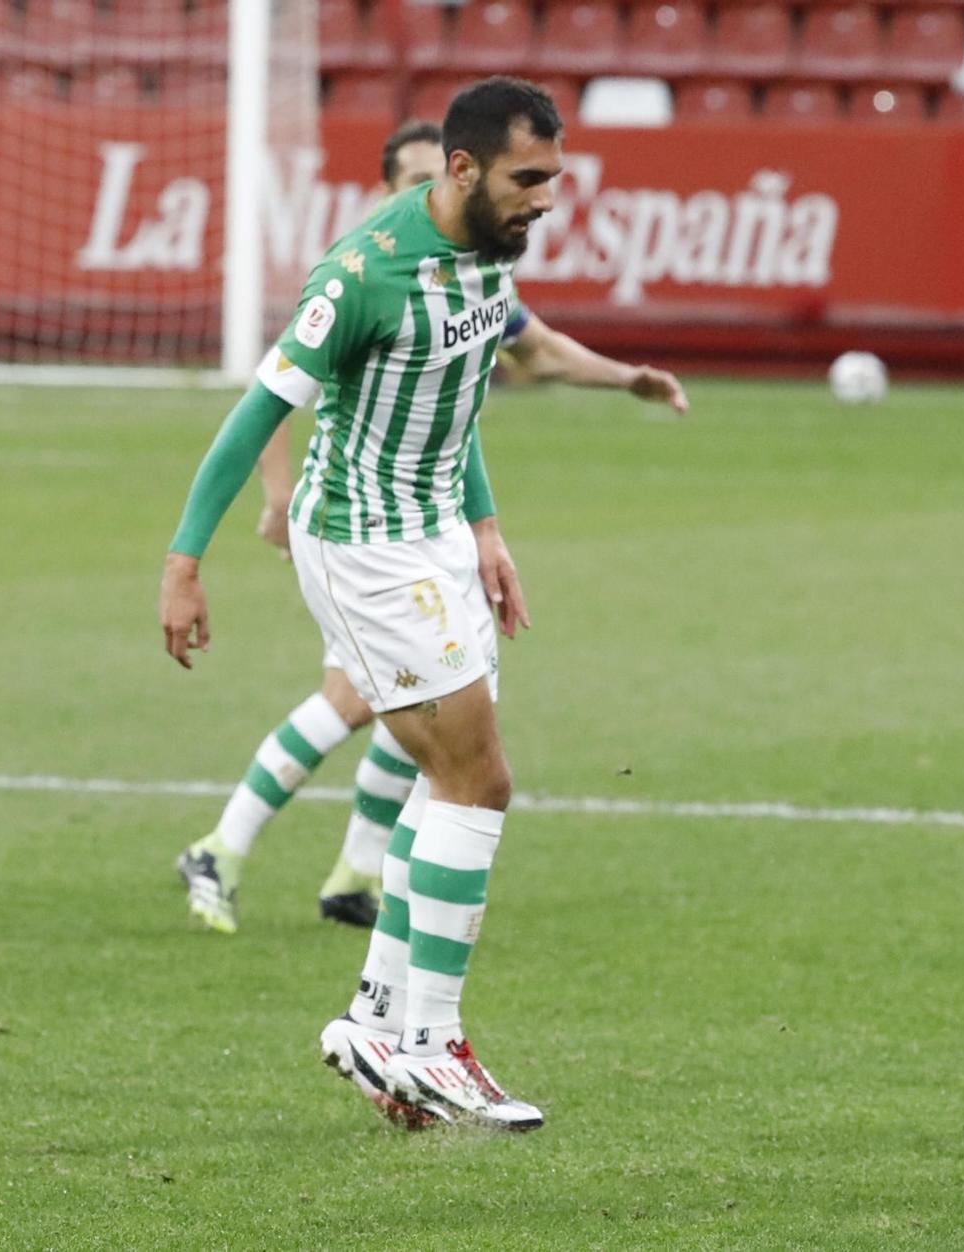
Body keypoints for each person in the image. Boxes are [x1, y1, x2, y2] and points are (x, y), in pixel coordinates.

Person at [159, 77, 689, 1129]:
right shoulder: (361, 273)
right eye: (526, 178)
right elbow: (255, 410)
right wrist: (184, 560)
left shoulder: (491, 253)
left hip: (437, 532)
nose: (545, 199)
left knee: (430, 773)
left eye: (551, 178)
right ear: (461, 170)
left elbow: (497, 371)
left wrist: (494, 519)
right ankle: (429, 1040)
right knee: (477, 779)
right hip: (365, 542)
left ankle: (374, 1018)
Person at [175, 118, 451, 935]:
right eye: (413, 179)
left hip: (412, 520)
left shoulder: (451, 268)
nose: (427, 193)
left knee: (418, 688)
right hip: (350, 524)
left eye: (440, 178)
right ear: (382, 187)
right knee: (368, 694)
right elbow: (276, 393)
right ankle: (225, 848)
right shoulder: (361, 266)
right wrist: (276, 495)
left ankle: (353, 874)